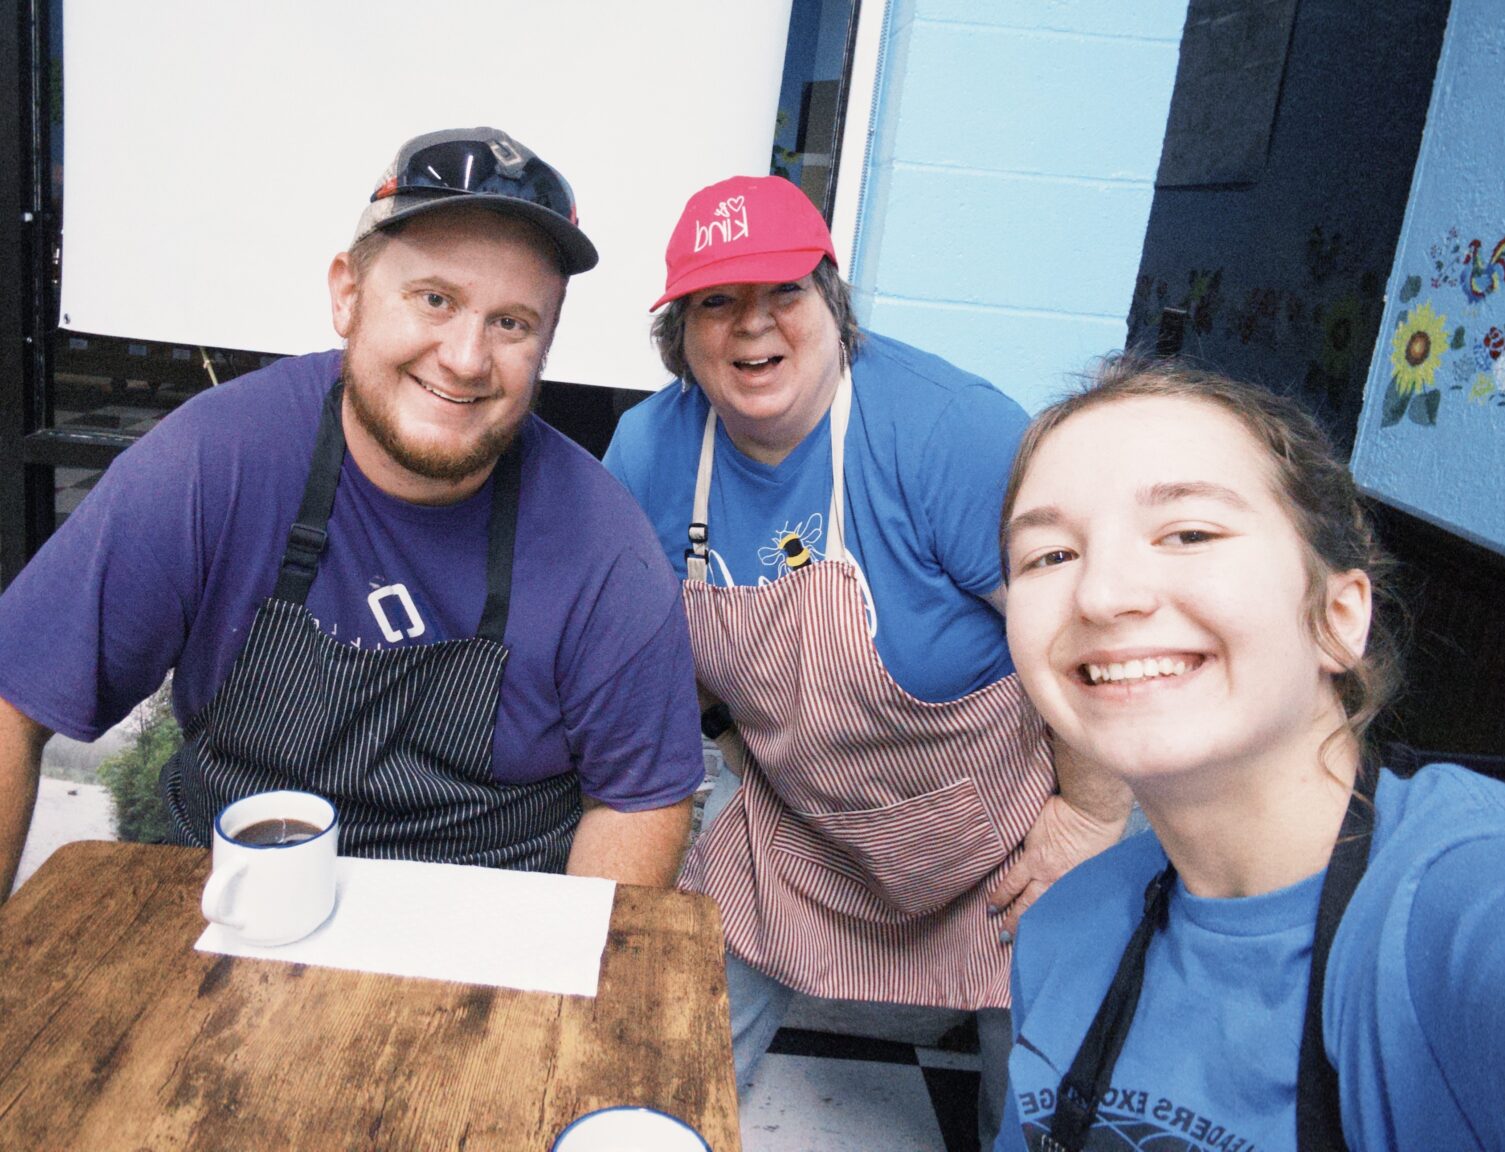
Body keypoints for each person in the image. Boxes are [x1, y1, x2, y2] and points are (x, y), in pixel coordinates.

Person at [0, 127, 702, 900]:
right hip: (230, 899)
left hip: (488, 923)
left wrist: (557, 967)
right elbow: (12, 699)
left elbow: (640, 800)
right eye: (435, 299)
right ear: (347, 294)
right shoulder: (216, 461)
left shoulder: (603, 546)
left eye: (512, 323)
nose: (466, 358)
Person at [604, 174, 1130, 1149]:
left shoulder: (949, 431)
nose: (753, 326)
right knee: (665, 1054)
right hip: (796, 824)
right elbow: (639, 652)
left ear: (833, 303)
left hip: (1005, 827)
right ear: (680, 335)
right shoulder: (651, 452)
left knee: (1038, 1094)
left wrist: (1091, 816)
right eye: (717, 302)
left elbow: (1085, 634)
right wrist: (711, 753)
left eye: (785, 291)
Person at [995, 355, 1505, 1151]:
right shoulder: (1065, 929)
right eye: (1050, 555)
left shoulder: (1462, 897)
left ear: (1338, 617)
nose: (1102, 595)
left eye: (1188, 533)